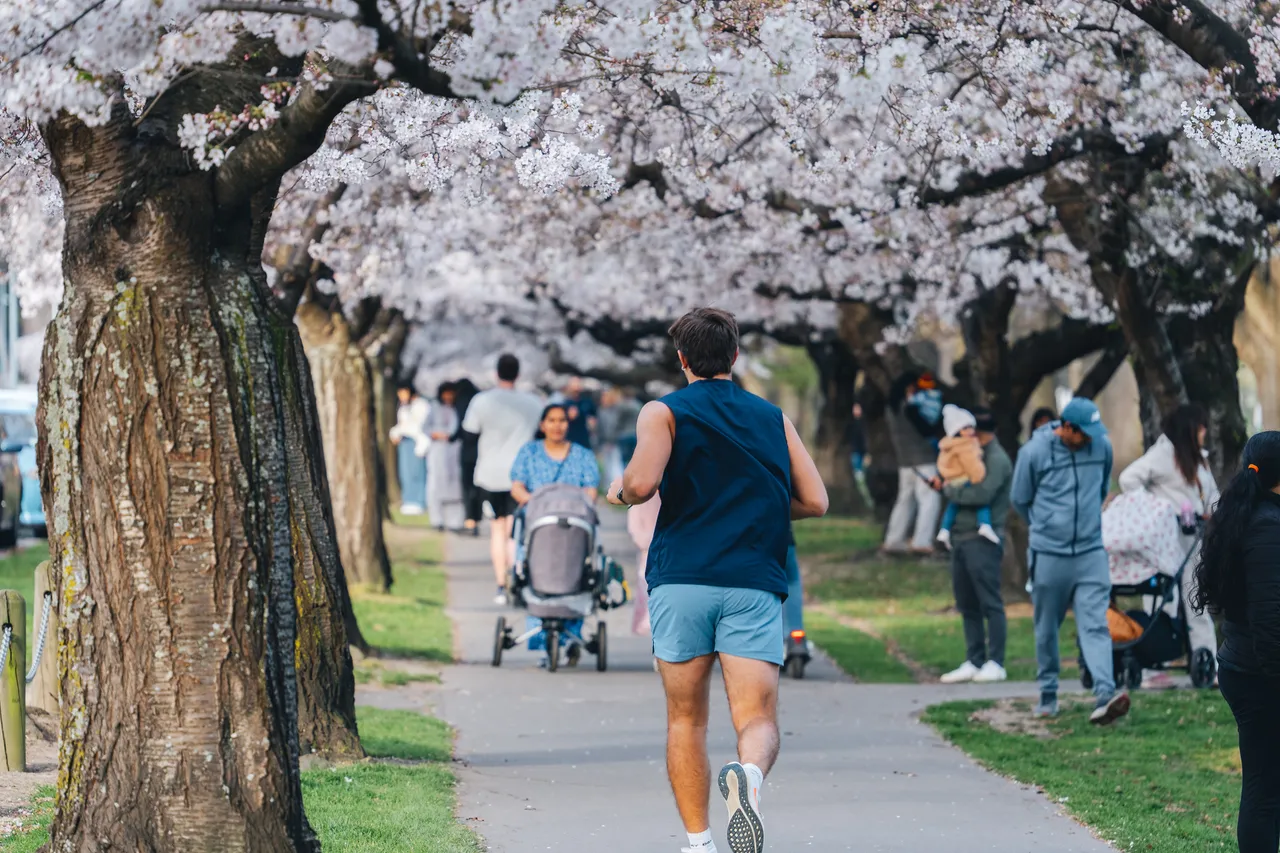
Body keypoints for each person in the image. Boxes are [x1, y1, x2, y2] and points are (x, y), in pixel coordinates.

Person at [606, 307, 829, 853]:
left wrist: (620, 494)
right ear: (734, 355)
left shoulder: (663, 412)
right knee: (757, 718)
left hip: (683, 579)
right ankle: (748, 780)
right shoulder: (773, 417)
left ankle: (699, 843)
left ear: (681, 359)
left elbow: (641, 481)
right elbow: (816, 501)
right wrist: (757, 512)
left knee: (686, 719)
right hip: (753, 579)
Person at [1011, 397, 1130, 725]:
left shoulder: (1101, 447)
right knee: (1046, 628)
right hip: (1050, 554)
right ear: (1066, 428)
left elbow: (1102, 486)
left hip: (1091, 552)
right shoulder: (1034, 453)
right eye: (1084, 432)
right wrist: (1045, 526)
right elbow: (1020, 499)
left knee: (1095, 623)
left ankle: (1105, 693)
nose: (1091, 438)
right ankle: (1048, 694)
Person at [1192, 431, 1280, 853]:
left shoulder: (1249, 515)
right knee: (1264, 790)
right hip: (1261, 674)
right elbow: (1269, 619)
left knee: (1265, 787)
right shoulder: (1267, 527)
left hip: (1246, 666)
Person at [1118, 404, 1220, 688]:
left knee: (1195, 600)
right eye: (1200, 427)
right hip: (1165, 543)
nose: (1204, 432)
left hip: (1193, 542)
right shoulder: (1163, 454)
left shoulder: (1199, 460)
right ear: (1189, 429)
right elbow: (1128, 479)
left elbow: (1210, 495)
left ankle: (1208, 663)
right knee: (1162, 602)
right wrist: (1157, 510)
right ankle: (1154, 667)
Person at [935, 407, 1014, 684]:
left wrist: (948, 488)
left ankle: (996, 661)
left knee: (990, 602)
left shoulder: (997, 459)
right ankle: (974, 658)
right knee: (967, 603)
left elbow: (981, 493)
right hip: (960, 537)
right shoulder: (968, 454)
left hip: (983, 539)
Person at [461, 354, 544, 604]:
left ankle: (501, 584)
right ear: (517, 374)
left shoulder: (481, 401)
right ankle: (517, 579)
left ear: (497, 373)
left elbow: (469, 436)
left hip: (490, 474)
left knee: (497, 529)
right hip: (523, 476)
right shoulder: (533, 403)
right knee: (515, 532)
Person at [882, 371, 943, 555]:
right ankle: (922, 541)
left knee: (905, 500)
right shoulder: (912, 408)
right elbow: (927, 429)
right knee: (929, 498)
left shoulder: (891, 408)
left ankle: (894, 540)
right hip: (923, 459)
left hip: (904, 461)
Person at [934, 405, 1000, 549]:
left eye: (971, 428)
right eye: (966, 429)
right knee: (983, 503)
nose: (971, 432)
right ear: (958, 431)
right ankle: (984, 524)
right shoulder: (966, 446)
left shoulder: (947, 445)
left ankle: (944, 530)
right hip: (965, 479)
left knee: (952, 506)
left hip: (953, 479)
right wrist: (978, 477)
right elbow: (973, 466)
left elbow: (942, 464)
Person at [510, 403, 601, 506]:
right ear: (542, 425)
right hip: (536, 514)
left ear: (568, 424)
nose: (557, 426)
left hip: (573, 514)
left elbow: (591, 490)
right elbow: (517, 487)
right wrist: (536, 502)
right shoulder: (529, 451)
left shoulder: (583, 455)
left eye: (562, 420)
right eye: (551, 420)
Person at [423, 382, 466, 531]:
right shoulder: (434, 408)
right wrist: (436, 434)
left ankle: (456, 521)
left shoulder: (457, 409)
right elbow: (425, 427)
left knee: (455, 485)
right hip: (437, 450)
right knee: (435, 485)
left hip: (453, 450)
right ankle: (437, 519)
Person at [389, 382, 429, 515]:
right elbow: (401, 424)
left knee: (417, 472)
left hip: (416, 442)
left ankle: (419, 501)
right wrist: (396, 433)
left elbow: (418, 426)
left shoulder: (421, 405)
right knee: (406, 472)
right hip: (404, 442)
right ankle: (409, 500)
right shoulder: (403, 407)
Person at [452, 377, 483, 536]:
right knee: (477, 488)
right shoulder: (480, 401)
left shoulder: (461, 402)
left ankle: (470, 521)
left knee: (467, 486)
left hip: (467, 451)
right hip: (483, 451)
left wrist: (451, 437)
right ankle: (477, 519)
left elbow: (461, 428)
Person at [555, 375, 598, 449]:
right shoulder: (564, 404)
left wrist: (592, 423)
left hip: (584, 441)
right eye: (574, 385)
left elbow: (594, 418)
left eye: (578, 384)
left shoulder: (587, 402)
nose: (576, 387)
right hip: (569, 441)